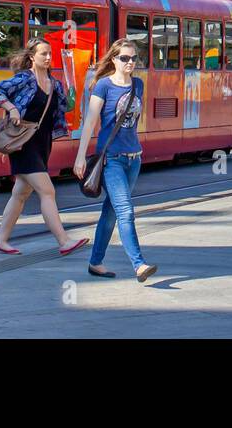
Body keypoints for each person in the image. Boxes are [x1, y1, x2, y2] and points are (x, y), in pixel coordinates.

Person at [0, 39, 88, 257]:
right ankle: (63, 241)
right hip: (23, 144)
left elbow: (62, 110)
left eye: (50, 54)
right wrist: (12, 108)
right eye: (44, 54)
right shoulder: (24, 79)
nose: (49, 58)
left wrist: (71, 100)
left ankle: (1, 241)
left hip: (42, 143)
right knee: (47, 191)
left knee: (20, 194)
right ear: (32, 57)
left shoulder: (55, 83)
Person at [74, 38, 157, 283]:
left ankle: (95, 262)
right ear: (114, 59)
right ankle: (139, 265)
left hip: (134, 158)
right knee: (125, 211)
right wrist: (80, 156)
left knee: (111, 212)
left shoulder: (138, 85)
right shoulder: (103, 86)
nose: (130, 62)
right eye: (124, 58)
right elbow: (90, 122)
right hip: (111, 159)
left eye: (133, 58)